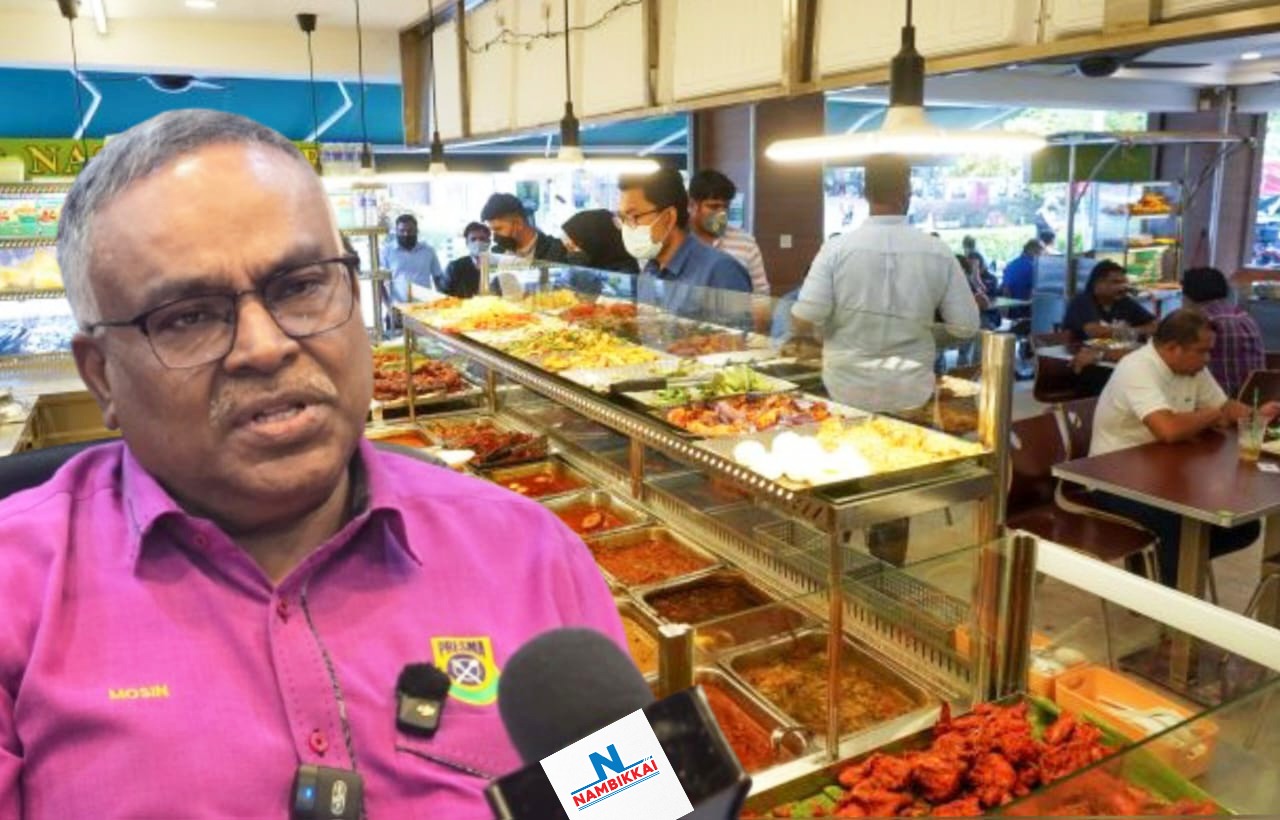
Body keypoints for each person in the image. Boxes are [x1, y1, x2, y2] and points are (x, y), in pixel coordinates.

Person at [0, 110, 624, 819]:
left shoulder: (533, 555)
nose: (265, 347)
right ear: (102, 376)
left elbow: (636, 805)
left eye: (299, 286)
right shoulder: (14, 590)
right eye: (187, 316)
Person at [789, 154, 979, 566]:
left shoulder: (837, 249)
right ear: (906, 191)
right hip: (909, 391)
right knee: (894, 494)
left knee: (837, 481)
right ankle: (884, 572)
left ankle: (832, 568)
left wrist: (829, 332)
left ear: (864, 191)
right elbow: (966, 327)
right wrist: (922, 330)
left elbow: (804, 317)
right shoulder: (936, 251)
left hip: (845, 391)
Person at [1089, 309, 1277, 586]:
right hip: (1113, 481)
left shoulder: (1192, 368)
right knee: (1177, 526)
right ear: (1172, 348)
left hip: (1167, 472)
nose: (1208, 359)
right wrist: (1214, 414)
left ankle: (1171, 570)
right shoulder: (1137, 368)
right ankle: (1171, 596)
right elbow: (1169, 430)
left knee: (1243, 527)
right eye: (1202, 351)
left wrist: (1256, 415)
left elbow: (1225, 407)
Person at [616, 168, 752, 327]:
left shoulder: (720, 271)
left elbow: (737, 339)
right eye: (623, 218)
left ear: (669, 217)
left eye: (634, 216)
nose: (627, 226)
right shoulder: (650, 270)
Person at [1182, 266, 1265, 399]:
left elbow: (1180, 364)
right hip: (1255, 399)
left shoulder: (1201, 321)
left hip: (1219, 401)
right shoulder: (1245, 317)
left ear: (1188, 294)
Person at [687, 169, 770, 296]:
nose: (722, 213)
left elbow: (761, 293)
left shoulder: (746, 243)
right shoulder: (678, 241)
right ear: (692, 205)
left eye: (725, 206)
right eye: (713, 206)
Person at [1062, 259, 1157, 343]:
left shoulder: (1124, 301)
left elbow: (1154, 326)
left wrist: (1130, 331)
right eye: (1116, 282)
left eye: (1124, 282)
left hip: (1118, 352)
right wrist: (1134, 331)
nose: (1123, 287)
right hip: (1081, 354)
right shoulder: (1082, 301)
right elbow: (1095, 332)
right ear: (1098, 283)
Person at [480, 192, 568, 262]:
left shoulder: (554, 251)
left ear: (518, 223)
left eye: (498, 229)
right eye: (492, 230)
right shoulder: (498, 252)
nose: (495, 236)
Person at [382, 213, 444, 302]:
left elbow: (438, 278)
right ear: (396, 231)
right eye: (402, 231)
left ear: (416, 231)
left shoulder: (428, 251)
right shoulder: (387, 252)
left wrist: (442, 303)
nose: (406, 234)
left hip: (425, 305)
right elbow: (379, 282)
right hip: (398, 306)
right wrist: (388, 305)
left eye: (410, 230)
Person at [561, 208, 639, 275]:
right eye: (568, 247)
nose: (570, 253)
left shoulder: (624, 273)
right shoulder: (597, 261)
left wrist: (582, 274)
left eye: (573, 246)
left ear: (594, 241)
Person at [439, 221, 491, 298]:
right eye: (473, 239)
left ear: (489, 242)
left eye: (482, 239)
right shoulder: (454, 267)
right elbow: (444, 294)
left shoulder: (498, 265)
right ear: (467, 243)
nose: (478, 242)